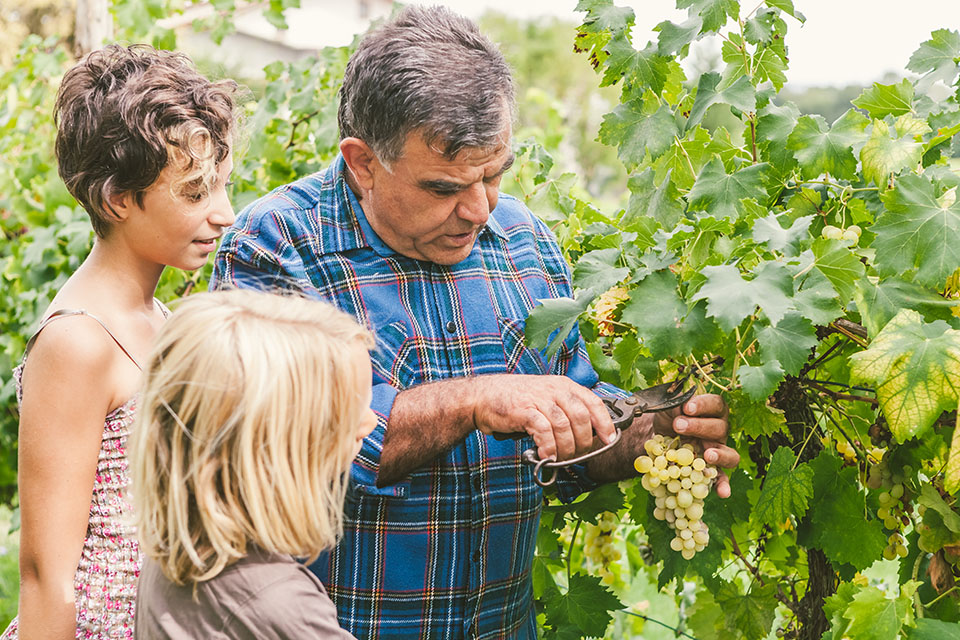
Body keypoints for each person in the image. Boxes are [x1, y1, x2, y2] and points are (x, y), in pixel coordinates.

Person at [212, 6, 738, 639]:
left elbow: (570, 447)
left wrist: (654, 431)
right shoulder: (275, 248)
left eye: (494, 176)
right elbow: (285, 454)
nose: (479, 209)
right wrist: (475, 401)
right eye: (444, 188)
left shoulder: (525, 242)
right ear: (362, 162)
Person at [3, 45, 236, 640]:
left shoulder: (159, 316)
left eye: (222, 186)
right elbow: (44, 577)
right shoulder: (78, 341)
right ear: (118, 200)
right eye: (195, 193)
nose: (225, 213)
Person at [129, 290, 374, 639]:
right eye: (352, 407)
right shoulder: (281, 606)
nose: (370, 423)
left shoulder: (174, 558)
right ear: (270, 447)